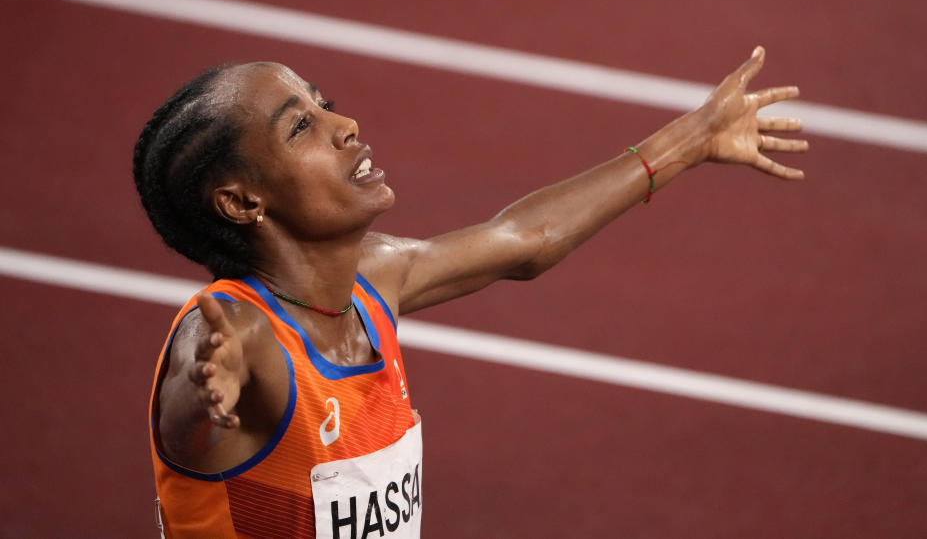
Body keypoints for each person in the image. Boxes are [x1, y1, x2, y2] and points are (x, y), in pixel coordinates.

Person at [134, 46, 806, 538]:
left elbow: (522, 238)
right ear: (242, 199)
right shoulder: (231, 337)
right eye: (301, 126)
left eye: (323, 103)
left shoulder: (370, 285)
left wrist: (695, 138)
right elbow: (204, 387)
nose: (346, 126)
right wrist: (206, 390)